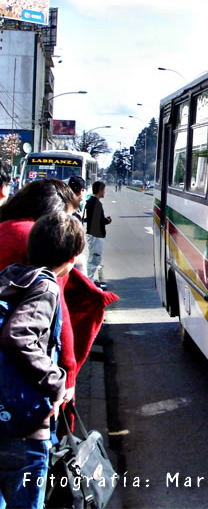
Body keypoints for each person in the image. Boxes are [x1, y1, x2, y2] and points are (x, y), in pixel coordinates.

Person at [0, 180, 117, 423]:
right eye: (67, 217)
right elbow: (59, 315)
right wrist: (67, 378)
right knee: (35, 446)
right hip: (21, 372)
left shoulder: (5, 227)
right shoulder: (40, 242)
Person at [0, 212, 84, 509]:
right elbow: (19, 335)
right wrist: (56, 381)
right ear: (72, 258)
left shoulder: (12, 276)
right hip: (26, 427)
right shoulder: (46, 286)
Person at [84, 181, 112, 283]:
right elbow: (98, 220)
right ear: (100, 191)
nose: (104, 192)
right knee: (94, 258)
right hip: (96, 234)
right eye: (104, 190)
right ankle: (89, 280)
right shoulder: (96, 203)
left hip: (94, 233)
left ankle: (90, 278)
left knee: (94, 257)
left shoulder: (91, 201)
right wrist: (107, 220)